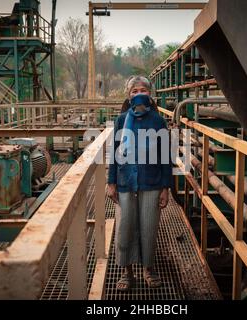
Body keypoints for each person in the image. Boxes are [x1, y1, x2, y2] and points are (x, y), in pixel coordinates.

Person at [107, 76, 172, 292]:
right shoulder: (121, 120)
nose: (138, 94)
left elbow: (165, 156)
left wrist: (166, 187)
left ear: (150, 95)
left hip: (151, 183)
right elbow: (115, 153)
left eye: (143, 90)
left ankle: (148, 269)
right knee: (125, 227)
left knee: (149, 227)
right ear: (128, 95)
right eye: (134, 91)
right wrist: (111, 182)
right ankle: (126, 271)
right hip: (126, 182)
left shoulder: (157, 121)